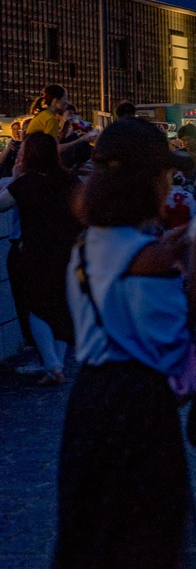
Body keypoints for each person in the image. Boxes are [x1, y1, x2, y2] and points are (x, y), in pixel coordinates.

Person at [49, 118, 196, 569]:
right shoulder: (146, 257)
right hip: (136, 411)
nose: (171, 183)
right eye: (166, 173)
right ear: (147, 180)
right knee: (142, 553)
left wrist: (169, 253)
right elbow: (173, 354)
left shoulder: (86, 246)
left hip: (90, 402)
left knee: (96, 550)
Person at [0, 132, 81, 385]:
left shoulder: (27, 183)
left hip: (35, 253)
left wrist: (13, 180)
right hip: (69, 252)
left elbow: (1, 205)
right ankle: (54, 365)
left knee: (36, 308)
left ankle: (52, 364)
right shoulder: (70, 179)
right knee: (61, 308)